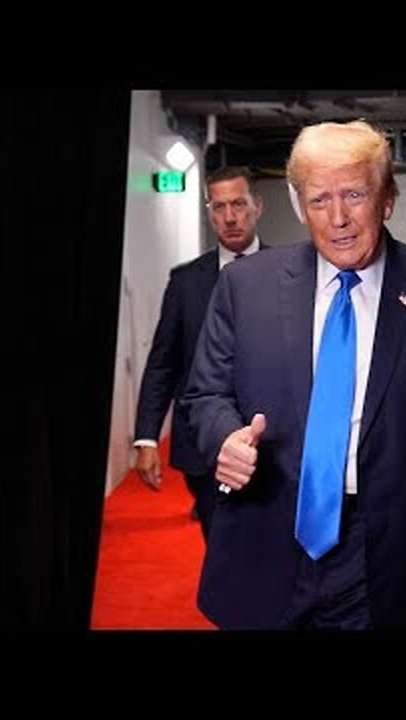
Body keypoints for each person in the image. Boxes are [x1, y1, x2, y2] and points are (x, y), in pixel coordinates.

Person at [180, 120, 406, 630]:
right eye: (320, 200)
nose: (339, 218)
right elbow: (205, 395)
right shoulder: (244, 286)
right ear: (299, 205)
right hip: (268, 537)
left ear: (387, 198)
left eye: (355, 194)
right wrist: (225, 439)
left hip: (385, 555)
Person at [132, 166, 263, 542]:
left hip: (274, 444)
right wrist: (147, 438)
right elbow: (163, 362)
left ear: (257, 206)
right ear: (209, 213)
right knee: (220, 548)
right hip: (204, 449)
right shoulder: (185, 281)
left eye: (238, 204)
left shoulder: (290, 272)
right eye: (219, 207)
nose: (230, 216)